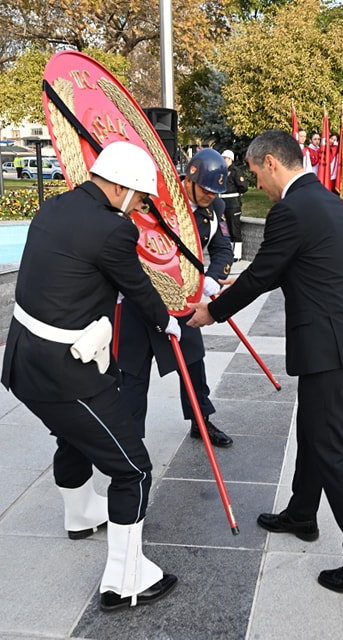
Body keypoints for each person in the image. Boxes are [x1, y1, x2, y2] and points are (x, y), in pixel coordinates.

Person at [187, 129, 343, 594]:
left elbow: (262, 274)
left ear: (273, 163)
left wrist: (212, 311)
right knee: (311, 434)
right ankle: (303, 513)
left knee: (334, 455)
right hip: (337, 345)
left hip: (330, 351)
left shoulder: (292, 210)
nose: (256, 183)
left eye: (257, 173)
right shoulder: (325, 200)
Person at [0, 141, 178, 611]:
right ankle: (125, 582)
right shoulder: (110, 230)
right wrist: (168, 321)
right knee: (133, 469)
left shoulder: (56, 206)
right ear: (118, 186)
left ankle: (80, 515)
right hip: (64, 372)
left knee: (73, 437)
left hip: (24, 362)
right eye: (139, 197)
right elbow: (137, 287)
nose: (140, 207)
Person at [118, 148, 235, 448]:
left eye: (216, 191)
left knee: (194, 362)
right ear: (190, 179)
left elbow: (222, 247)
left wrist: (210, 278)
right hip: (142, 299)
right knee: (133, 370)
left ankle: (201, 420)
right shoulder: (157, 201)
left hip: (183, 298)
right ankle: (130, 438)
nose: (211, 195)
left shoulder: (216, 208)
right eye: (207, 189)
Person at [221, 149, 248, 260]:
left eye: (225, 158)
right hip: (223, 203)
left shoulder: (236, 171)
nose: (223, 160)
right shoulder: (221, 171)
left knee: (234, 228)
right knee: (225, 229)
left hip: (233, 203)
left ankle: (237, 254)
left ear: (230, 159)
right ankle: (228, 252)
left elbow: (243, 187)